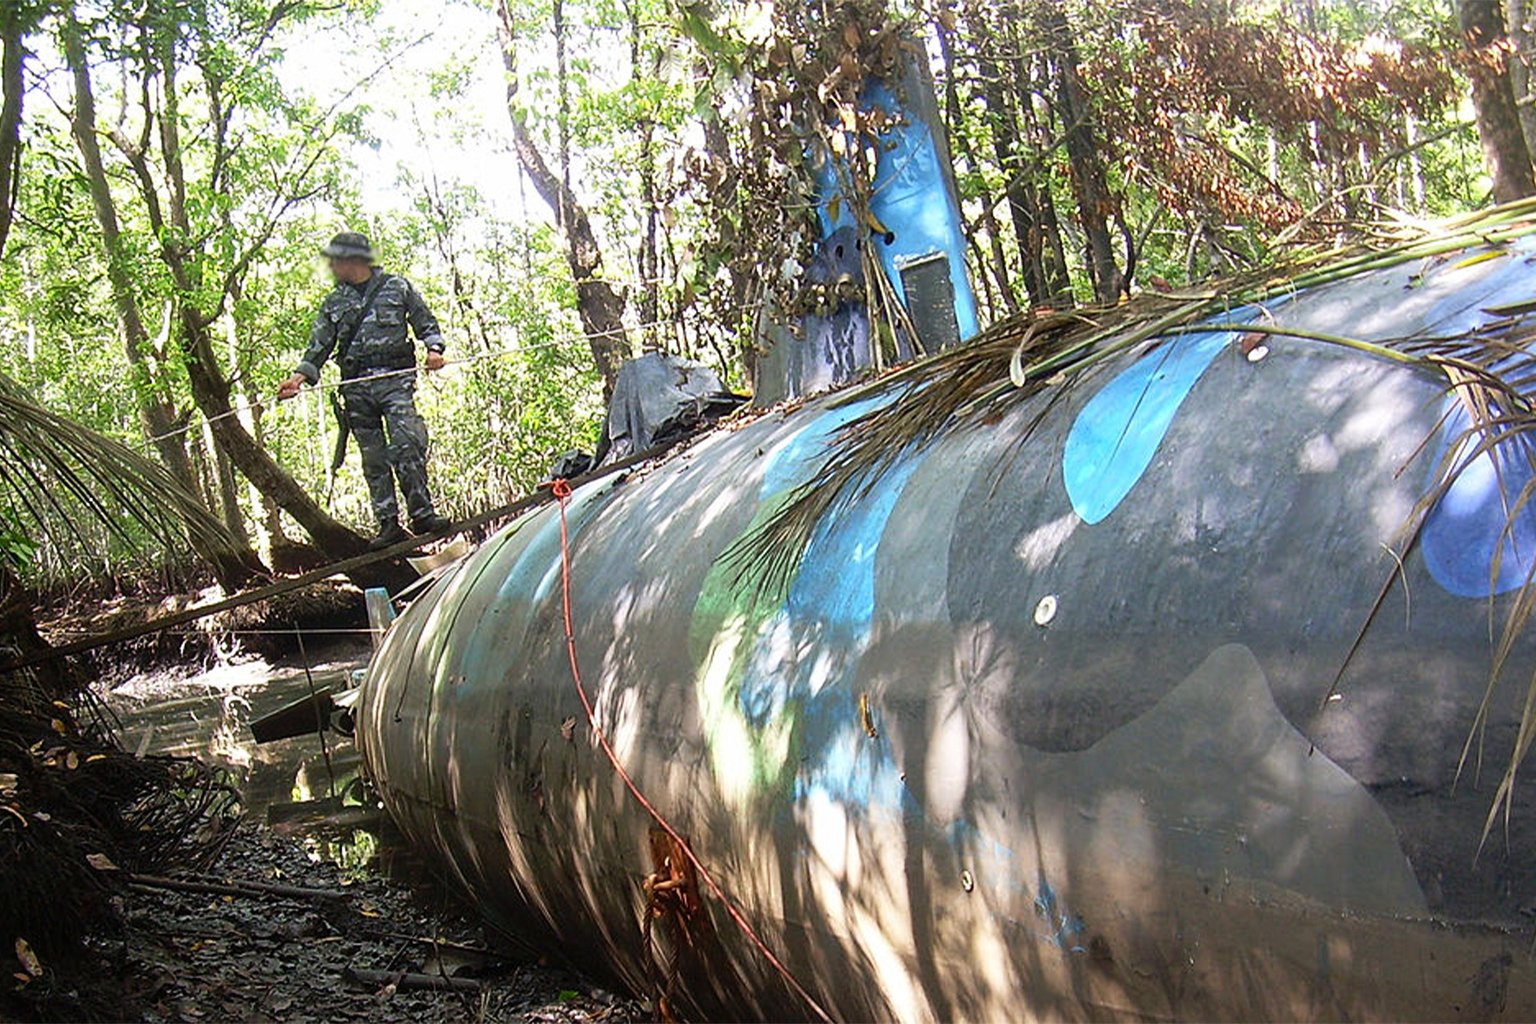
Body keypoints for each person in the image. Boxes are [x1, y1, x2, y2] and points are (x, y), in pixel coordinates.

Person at [276, 231, 453, 549]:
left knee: (407, 441)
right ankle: (388, 524)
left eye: (336, 260)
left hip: (395, 381)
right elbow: (319, 346)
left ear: (353, 260)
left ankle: (423, 514)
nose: (331, 266)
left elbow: (425, 321)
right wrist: (297, 379)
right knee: (373, 457)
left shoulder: (396, 287)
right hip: (356, 389)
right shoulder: (334, 302)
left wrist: (434, 349)